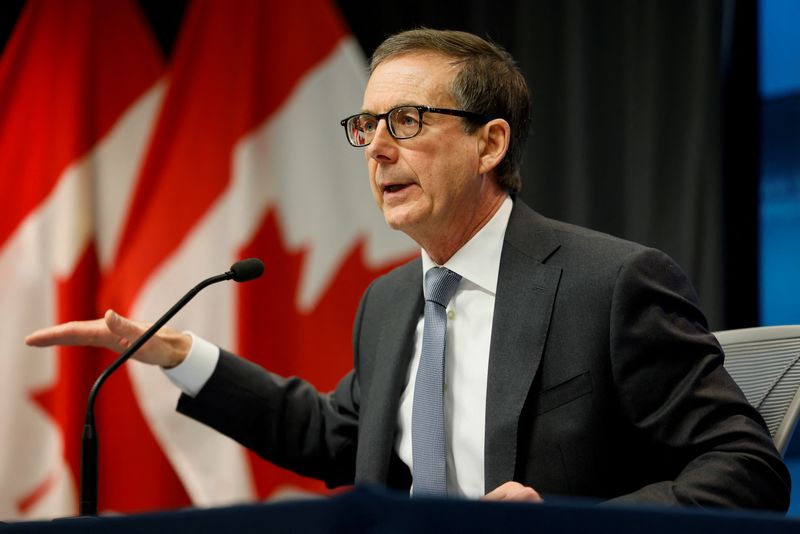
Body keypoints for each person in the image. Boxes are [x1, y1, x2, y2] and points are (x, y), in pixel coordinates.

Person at [26, 29, 790, 510]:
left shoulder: (612, 285)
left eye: (408, 122)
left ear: (490, 145)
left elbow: (746, 468)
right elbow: (335, 437)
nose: (379, 148)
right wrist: (180, 356)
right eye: (367, 126)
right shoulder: (392, 300)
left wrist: (572, 521)